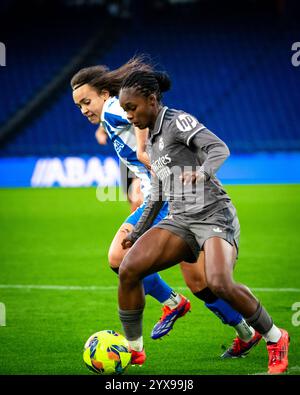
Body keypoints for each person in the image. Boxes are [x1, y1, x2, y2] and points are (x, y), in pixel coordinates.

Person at [71, 57, 261, 364]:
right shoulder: (112, 115)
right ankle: (246, 332)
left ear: (105, 94)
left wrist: (146, 153)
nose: (83, 109)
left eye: (86, 101)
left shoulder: (116, 108)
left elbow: (144, 131)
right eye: (78, 105)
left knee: (119, 258)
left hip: (165, 198)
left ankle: (172, 303)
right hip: (167, 196)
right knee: (201, 282)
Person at [117, 68, 290, 374]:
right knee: (129, 267)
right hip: (181, 220)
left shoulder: (177, 121)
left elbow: (218, 148)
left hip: (213, 214)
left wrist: (202, 172)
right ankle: (134, 351)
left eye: (132, 107)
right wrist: (139, 231)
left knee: (219, 282)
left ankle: (276, 338)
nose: (129, 115)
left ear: (152, 100)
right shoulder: (153, 141)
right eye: (125, 109)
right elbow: (158, 190)